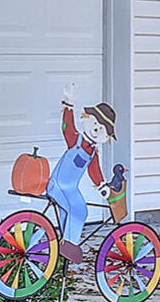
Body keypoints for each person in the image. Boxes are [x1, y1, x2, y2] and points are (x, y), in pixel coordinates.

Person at [45, 98, 126, 239]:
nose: (96, 129)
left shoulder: (93, 152)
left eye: (102, 129)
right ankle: (70, 246)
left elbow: (94, 170)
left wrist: (102, 186)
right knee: (79, 211)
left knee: (67, 213)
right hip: (58, 185)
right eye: (95, 123)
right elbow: (67, 127)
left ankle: (63, 245)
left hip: (70, 188)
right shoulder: (75, 140)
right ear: (87, 118)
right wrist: (69, 104)